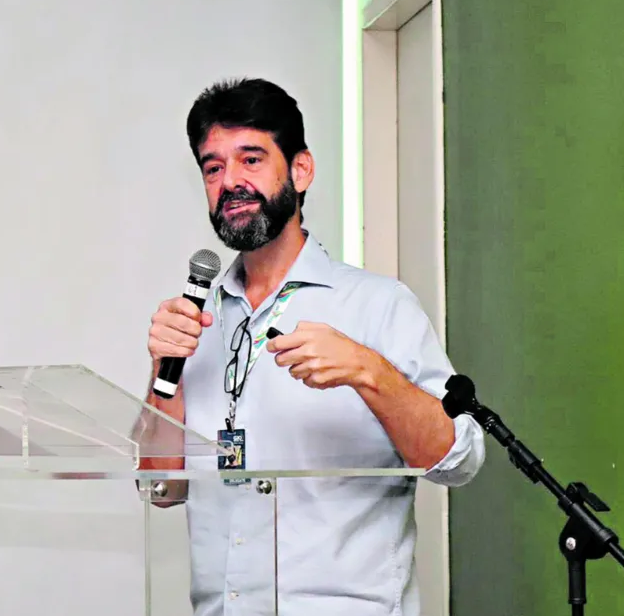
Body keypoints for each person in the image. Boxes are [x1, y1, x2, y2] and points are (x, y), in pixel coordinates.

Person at [144, 77, 485, 616]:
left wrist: (371, 373)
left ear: (300, 170)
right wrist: (165, 374)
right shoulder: (198, 319)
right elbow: (161, 484)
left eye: (251, 159)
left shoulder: (378, 305)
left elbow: (457, 460)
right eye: (213, 167)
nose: (230, 181)